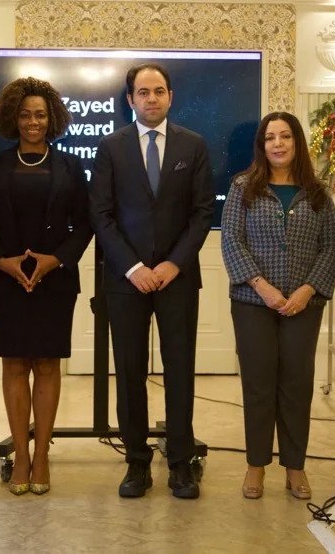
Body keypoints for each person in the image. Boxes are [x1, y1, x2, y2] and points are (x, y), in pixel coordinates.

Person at [89, 63, 215, 499]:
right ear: (130, 100)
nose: (151, 99)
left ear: (170, 96)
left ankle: (180, 463)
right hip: (126, 282)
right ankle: (137, 463)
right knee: (129, 372)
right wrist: (133, 268)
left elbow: (202, 213)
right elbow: (101, 216)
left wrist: (172, 264)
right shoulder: (111, 147)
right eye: (142, 92)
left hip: (178, 279)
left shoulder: (193, 146)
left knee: (180, 371)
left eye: (159, 91)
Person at [0, 77, 93, 496]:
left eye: (40, 114)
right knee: (14, 366)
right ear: (13, 116)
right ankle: (21, 458)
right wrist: (0, 261)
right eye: (25, 114)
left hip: (54, 279)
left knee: (47, 365)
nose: (33, 121)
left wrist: (56, 259)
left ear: (53, 118)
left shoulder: (70, 165)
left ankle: (42, 454)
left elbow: (84, 223)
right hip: (6, 279)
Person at [221, 111, 335, 500]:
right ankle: (256, 465)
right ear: (262, 145)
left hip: (303, 305)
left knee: (295, 385)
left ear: (296, 142)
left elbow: (330, 247)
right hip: (253, 302)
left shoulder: (318, 191)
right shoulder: (243, 187)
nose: (277, 144)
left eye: (285, 136)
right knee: (258, 386)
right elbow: (232, 242)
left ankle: (295, 467)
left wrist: (307, 290)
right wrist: (263, 287)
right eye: (270, 137)